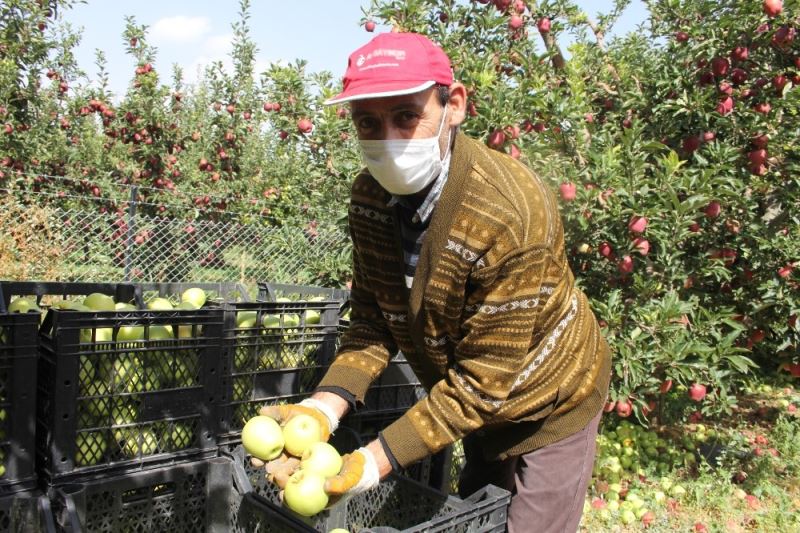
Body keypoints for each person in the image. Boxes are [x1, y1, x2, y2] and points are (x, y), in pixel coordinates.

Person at [259, 31, 612, 533]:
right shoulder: (370, 201)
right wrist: (323, 408)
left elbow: (479, 385)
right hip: (474, 404)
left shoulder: (507, 213)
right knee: (477, 515)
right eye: (368, 122)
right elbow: (372, 325)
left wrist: (372, 464)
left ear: (455, 105)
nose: (388, 139)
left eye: (406, 116)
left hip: (552, 395)